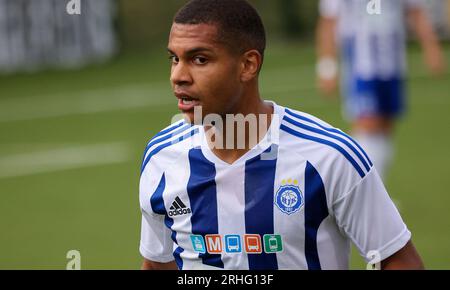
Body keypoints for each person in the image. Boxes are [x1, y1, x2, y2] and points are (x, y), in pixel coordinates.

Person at [139, 0, 424, 270]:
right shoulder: (162, 158)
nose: (178, 75)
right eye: (174, 59)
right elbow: (157, 264)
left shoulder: (328, 157)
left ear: (248, 65)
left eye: (199, 59)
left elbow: (395, 258)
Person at [316, 0, 446, 179]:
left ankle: (376, 191)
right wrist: (327, 66)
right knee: (367, 124)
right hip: (361, 66)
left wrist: (431, 47)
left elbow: (415, 10)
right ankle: (357, 194)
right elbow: (329, 20)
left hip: (393, 62)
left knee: (385, 126)